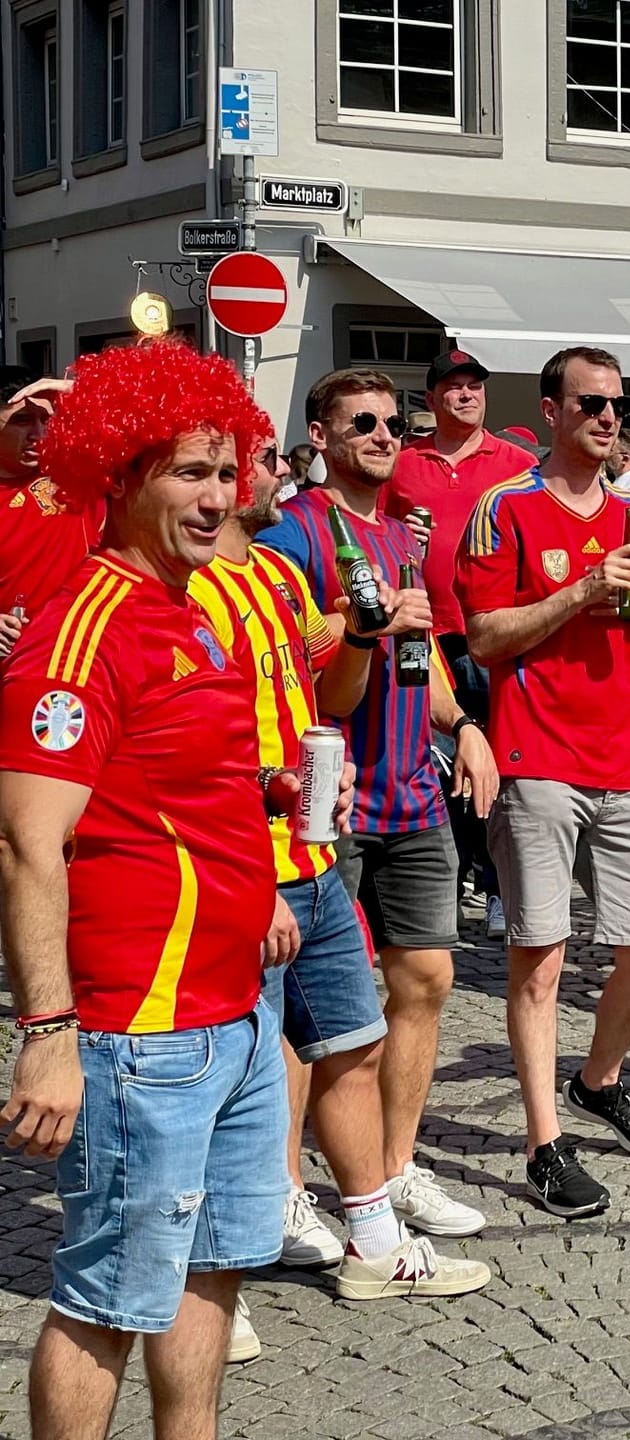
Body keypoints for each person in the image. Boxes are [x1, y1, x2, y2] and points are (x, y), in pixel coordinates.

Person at [0, 342, 285, 1435]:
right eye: (188, 472)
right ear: (118, 475)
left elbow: (197, 790)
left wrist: (256, 892)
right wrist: (49, 1030)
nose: (219, 497)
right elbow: (30, 843)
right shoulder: (84, 629)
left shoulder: (193, 603)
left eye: (229, 470)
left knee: (213, 1271)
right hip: (139, 1030)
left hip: (234, 1016)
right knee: (107, 1301)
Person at [195, 438, 490, 1299]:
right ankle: (218, 1283)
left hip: (313, 850)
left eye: (236, 466)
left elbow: (332, 699)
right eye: (224, 466)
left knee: (353, 1044)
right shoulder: (182, 589)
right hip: (249, 864)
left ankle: (372, 1238)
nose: (262, 475)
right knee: (241, 1070)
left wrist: (360, 637)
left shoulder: (275, 579)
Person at [258, 367, 501, 1238]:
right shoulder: (294, 530)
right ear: (318, 436)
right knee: (306, 1004)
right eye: (361, 420)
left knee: (427, 978)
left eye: (394, 422)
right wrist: (355, 624)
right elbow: (285, 653)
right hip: (326, 798)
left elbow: (424, 650)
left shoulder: (403, 533)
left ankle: (395, 1166)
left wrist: (464, 722)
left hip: (412, 790)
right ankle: (283, 1189)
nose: (382, 434)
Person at [457, 345, 630, 1218]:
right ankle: (544, 1144)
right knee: (541, 960)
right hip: (537, 755)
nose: (606, 416)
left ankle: (599, 1079)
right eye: (589, 402)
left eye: (617, 403)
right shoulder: (505, 507)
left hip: (624, 754)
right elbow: (484, 637)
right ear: (551, 409)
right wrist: (581, 590)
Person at [383, 349, 536, 940]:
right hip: (421, 630)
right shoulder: (402, 463)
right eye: (453, 387)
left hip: (486, 634)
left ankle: (499, 888)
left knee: (494, 760)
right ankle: (440, 883)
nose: (466, 395)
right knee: (424, 762)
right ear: (431, 399)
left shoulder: (517, 462)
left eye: (475, 386)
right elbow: (377, 529)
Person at [0, 368, 102, 658]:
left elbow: (161, 419)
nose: (39, 434)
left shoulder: (77, 466)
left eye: (46, 419)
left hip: (92, 648)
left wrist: (75, 390)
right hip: (22, 667)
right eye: (22, 421)